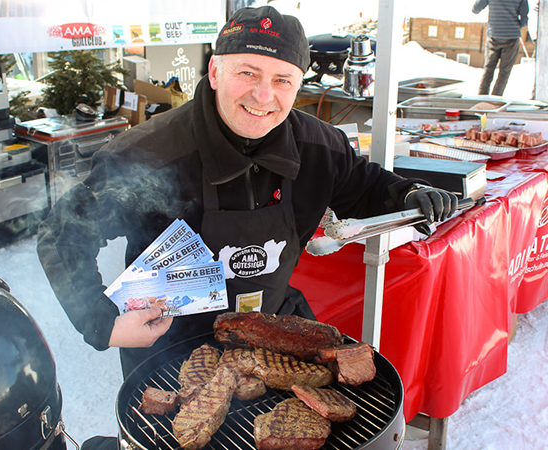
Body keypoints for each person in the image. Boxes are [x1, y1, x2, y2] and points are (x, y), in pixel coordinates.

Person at [36, 6, 457, 382]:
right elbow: (62, 232)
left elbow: (363, 186)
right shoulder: (148, 154)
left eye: (282, 80)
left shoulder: (319, 147)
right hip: (172, 346)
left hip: (274, 330)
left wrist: (407, 194)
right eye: (247, 73)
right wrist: (102, 321)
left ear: (298, 85)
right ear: (215, 71)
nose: (263, 96)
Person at [473, 0, 529, 96]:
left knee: (488, 69)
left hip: (494, 34)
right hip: (511, 36)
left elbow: (475, 9)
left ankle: (481, 98)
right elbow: (524, 20)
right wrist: (514, 26)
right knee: (504, 71)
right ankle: (495, 101)